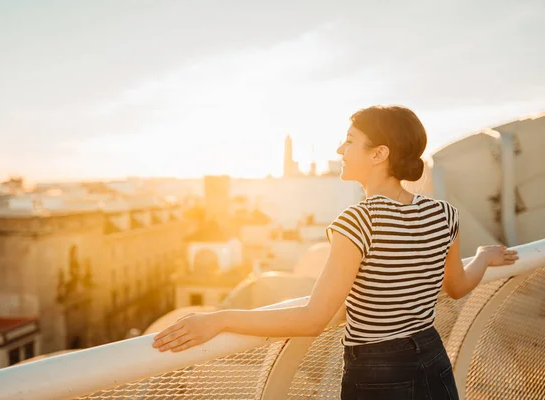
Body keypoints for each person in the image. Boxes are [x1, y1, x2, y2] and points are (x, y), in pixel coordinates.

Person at [152, 105, 519, 399]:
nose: (340, 150)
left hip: (379, 372)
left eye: (349, 141)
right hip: (433, 359)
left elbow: (313, 319)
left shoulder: (359, 220)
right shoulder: (443, 213)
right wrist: (484, 258)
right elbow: (456, 287)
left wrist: (219, 320)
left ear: (379, 154)